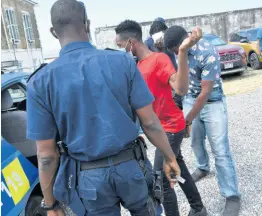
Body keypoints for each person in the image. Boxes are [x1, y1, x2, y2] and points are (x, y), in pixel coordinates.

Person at [26, 1, 182, 216]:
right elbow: (150, 122)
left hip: (89, 180)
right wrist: (169, 157)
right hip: (131, 167)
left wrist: (51, 204)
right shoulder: (123, 62)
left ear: (53, 32)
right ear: (87, 25)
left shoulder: (40, 82)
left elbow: (46, 155)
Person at [115, 20, 207, 216]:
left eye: (121, 46)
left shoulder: (159, 60)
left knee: (162, 179)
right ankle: (198, 208)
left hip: (171, 128)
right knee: (178, 165)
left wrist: (182, 52)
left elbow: (180, 88)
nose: (121, 50)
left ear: (131, 42)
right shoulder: (136, 66)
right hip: (160, 130)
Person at [164, 25, 241, 216]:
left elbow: (206, 93)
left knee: (220, 149)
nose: (176, 54)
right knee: (196, 142)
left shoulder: (208, 52)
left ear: (183, 42)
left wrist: (187, 120)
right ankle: (203, 167)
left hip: (212, 101)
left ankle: (232, 195)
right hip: (190, 98)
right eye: (174, 52)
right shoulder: (179, 51)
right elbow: (183, 81)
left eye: (176, 50)